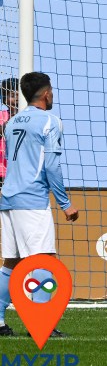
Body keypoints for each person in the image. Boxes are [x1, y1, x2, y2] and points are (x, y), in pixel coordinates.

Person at [0, 72, 79, 338]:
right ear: (46, 94)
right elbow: (52, 166)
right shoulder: (50, 121)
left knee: (12, 262)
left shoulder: (12, 122)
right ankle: (41, 322)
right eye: (52, 90)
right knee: (44, 260)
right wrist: (65, 203)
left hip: (8, 199)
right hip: (31, 200)